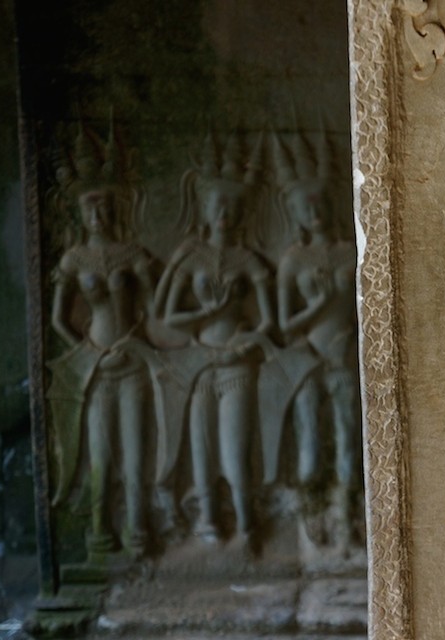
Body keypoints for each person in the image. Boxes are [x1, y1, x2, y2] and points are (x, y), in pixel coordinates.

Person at [156, 130, 273, 548]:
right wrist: (206, 313)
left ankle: (246, 525)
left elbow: (269, 321)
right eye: (217, 205)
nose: (225, 212)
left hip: (237, 365)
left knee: (234, 455)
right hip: (198, 363)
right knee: (201, 452)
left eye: (232, 205)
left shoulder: (249, 260)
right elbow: (167, 316)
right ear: (204, 209)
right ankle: (208, 521)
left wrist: (245, 342)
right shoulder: (192, 257)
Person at [48, 121, 155, 558]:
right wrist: (88, 350)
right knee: (101, 455)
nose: (98, 216)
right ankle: (98, 530)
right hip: (95, 366)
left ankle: (138, 528)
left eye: (105, 207)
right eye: (90, 209)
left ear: (115, 209)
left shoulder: (132, 254)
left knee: (134, 453)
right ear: (78, 214)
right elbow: (58, 319)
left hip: (131, 362)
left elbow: (155, 307)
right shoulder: (74, 259)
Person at [273, 129, 361, 550]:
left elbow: (371, 310)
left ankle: (346, 514)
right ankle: (313, 511)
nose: (314, 212)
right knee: (309, 444)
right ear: (294, 213)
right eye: (304, 207)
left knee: (348, 439)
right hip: (308, 358)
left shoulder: (349, 252)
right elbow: (285, 326)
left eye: (320, 202)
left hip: (344, 354)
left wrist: (351, 338)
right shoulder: (293, 260)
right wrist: (319, 304)